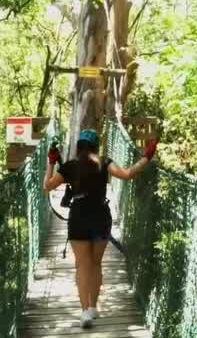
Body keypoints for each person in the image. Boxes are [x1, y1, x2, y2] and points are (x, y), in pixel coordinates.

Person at [43, 129, 157, 328]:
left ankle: (85, 311)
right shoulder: (104, 162)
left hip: (78, 219)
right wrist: (147, 156)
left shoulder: (70, 166)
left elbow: (47, 187)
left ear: (78, 147)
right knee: (96, 264)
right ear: (97, 146)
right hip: (100, 218)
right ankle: (94, 307)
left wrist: (51, 161)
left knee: (82, 265)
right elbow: (127, 174)